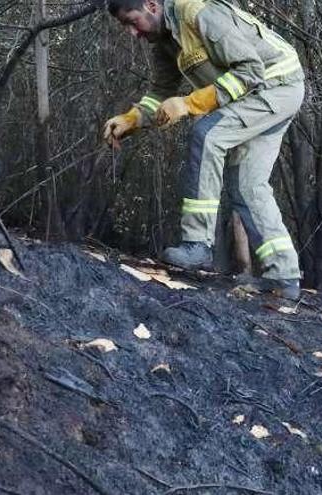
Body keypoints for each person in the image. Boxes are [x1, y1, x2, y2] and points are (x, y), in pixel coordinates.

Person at [102, 0, 303, 299]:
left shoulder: (198, 13)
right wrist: (131, 119)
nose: (132, 33)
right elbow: (161, 92)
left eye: (133, 22)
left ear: (151, 5)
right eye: (126, 27)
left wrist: (190, 104)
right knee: (247, 186)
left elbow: (250, 71)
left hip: (277, 86)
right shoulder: (165, 41)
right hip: (262, 95)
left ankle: (198, 244)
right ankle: (284, 278)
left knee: (207, 133)